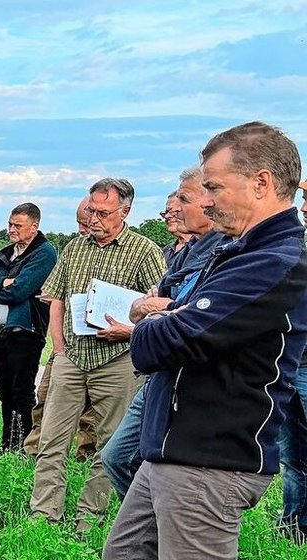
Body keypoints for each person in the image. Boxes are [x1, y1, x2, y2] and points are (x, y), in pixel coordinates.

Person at [104, 121, 307, 560]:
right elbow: (179, 321)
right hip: (173, 449)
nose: (207, 198)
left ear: (263, 181)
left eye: (215, 185)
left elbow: (170, 338)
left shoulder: (280, 261)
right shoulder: (237, 251)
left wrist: (158, 323)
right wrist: (169, 318)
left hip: (213, 460)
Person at [29, 178, 165, 532]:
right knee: (51, 440)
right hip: (72, 357)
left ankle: (90, 518)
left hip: (118, 358)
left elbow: (159, 305)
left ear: (125, 211)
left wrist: (131, 327)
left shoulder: (145, 250)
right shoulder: (74, 248)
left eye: (103, 212)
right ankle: (44, 515)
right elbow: (55, 299)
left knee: (109, 444)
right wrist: (58, 350)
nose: (93, 218)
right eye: (91, 210)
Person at [101, 168, 228, 499]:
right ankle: (151, 526)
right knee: (117, 457)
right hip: (160, 373)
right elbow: (150, 304)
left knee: (155, 464)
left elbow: (191, 314)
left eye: (183, 201)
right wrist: (153, 310)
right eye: (170, 208)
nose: (175, 212)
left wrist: (154, 311)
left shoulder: (224, 250)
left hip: (186, 376)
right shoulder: (185, 251)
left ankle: (160, 530)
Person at [0, 203, 58, 453]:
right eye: (10, 224)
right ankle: (7, 443)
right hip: (2, 332)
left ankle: (25, 445)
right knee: (5, 389)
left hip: (26, 331)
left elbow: (21, 290)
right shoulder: (7, 253)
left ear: (34, 227)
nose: (11, 229)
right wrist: (4, 281)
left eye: (17, 225)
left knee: (21, 390)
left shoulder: (44, 253)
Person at [25, 197, 98, 457]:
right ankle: (35, 451)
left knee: (94, 411)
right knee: (46, 398)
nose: (81, 228)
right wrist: (58, 347)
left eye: (85, 223)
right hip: (67, 343)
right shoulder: (73, 249)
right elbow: (52, 293)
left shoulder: (131, 251)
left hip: (104, 344)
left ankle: (86, 456)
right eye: (79, 222)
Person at [278, 177, 307, 542]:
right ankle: (294, 526)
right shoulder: (296, 244)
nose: (303, 207)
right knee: (294, 453)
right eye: (302, 198)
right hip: (292, 360)